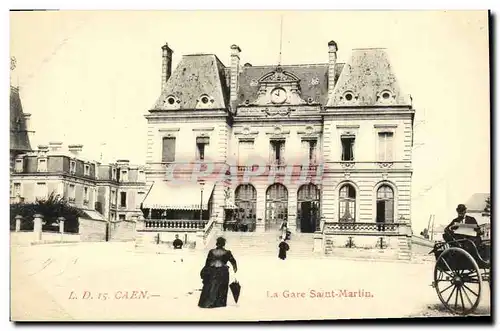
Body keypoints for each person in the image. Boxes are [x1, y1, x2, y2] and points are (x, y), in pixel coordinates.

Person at [198, 237, 238, 308]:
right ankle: (219, 302)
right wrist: (235, 269)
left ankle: (208, 302)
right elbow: (233, 262)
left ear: (217, 243)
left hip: (212, 270)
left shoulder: (211, 251)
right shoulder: (227, 252)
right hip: (223, 271)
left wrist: (205, 270)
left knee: (210, 286)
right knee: (222, 286)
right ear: (224, 244)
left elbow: (207, 262)